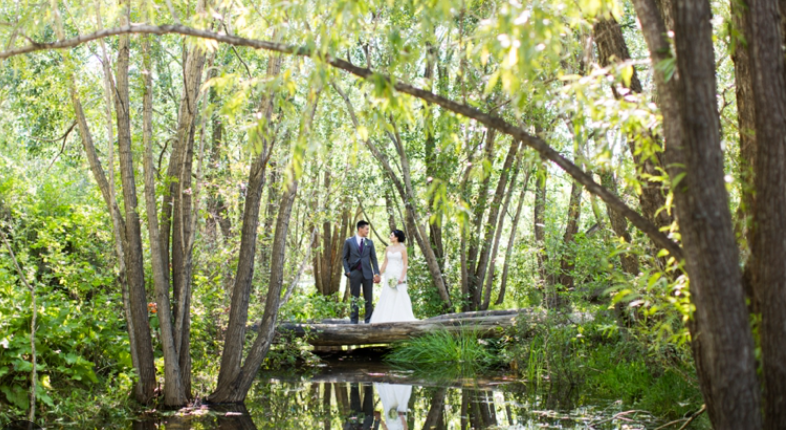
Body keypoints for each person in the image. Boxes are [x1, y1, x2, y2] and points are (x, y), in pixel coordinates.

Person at [369, 230, 417, 324]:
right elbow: (385, 262)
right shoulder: (388, 248)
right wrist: (378, 274)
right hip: (389, 274)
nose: (390, 237)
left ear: (397, 237)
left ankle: (400, 318)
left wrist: (401, 278)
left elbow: (405, 264)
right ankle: (386, 318)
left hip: (398, 274)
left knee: (399, 294)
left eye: (391, 235)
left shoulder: (403, 249)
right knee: (388, 294)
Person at [343, 220, 381, 324]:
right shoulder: (349, 241)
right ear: (360, 229)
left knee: (368, 299)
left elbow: (374, 258)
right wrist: (348, 272)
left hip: (368, 274)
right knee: (354, 298)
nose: (368, 231)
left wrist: (376, 273)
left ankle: (368, 321)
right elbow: (344, 258)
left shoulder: (369, 242)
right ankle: (353, 321)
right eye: (366, 229)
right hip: (354, 273)